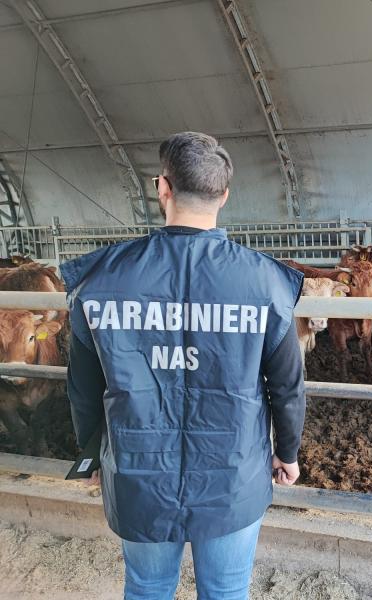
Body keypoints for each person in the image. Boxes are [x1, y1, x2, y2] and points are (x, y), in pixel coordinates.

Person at [62, 131, 306, 599]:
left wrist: (92, 454)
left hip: (138, 472)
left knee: (149, 587)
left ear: (163, 188)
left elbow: (83, 387)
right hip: (232, 475)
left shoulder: (101, 280)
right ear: (224, 195)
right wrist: (288, 453)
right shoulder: (265, 282)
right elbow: (288, 386)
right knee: (226, 590)